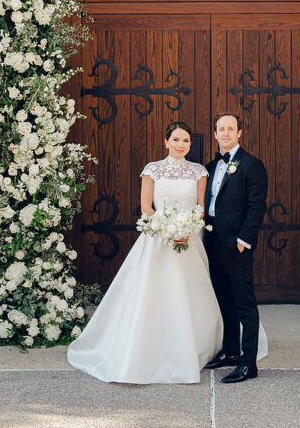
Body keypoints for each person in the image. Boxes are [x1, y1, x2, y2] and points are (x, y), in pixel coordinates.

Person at [66, 121, 223, 383]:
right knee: (153, 293)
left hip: (188, 239)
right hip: (158, 240)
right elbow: (146, 207)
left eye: (185, 141)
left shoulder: (198, 171)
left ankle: (195, 348)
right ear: (165, 141)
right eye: (175, 139)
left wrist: (187, 228)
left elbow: (200, 207)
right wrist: (167, 229)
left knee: (190, 292)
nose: (181, 145)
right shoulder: (152, 170)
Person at [203, 112, 269, 383]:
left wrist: (244, 241)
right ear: (215, 134)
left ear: (240, 133)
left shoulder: (251, 165)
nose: (226, 133)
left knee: (244, 303)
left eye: (231, 129)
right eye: (221, 129)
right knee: (223, 301)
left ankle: (248, 363)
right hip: (213, 242)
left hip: (237, 244)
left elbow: (257, 207)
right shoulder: (209, 166)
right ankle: (230, 352)